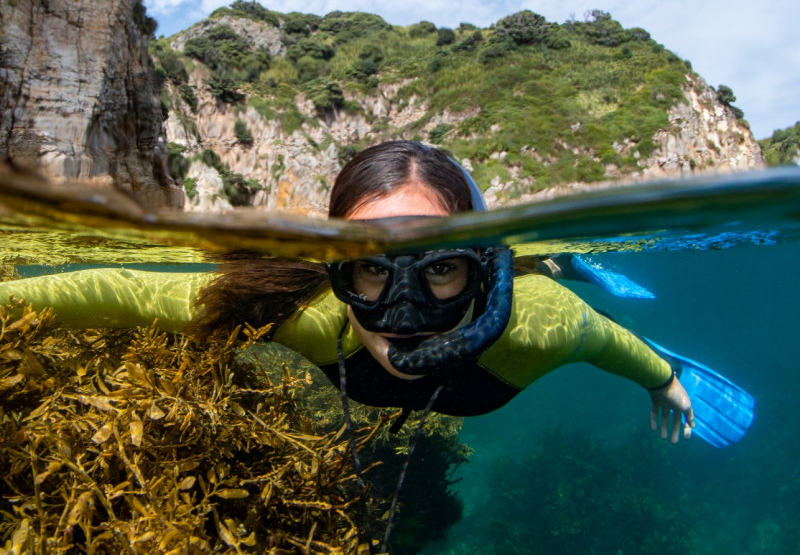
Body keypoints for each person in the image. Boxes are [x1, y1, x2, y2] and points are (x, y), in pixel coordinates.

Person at [0, 140, 694, 443]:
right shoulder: (310, 319)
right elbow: (129, 290)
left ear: (481, 271)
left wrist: (664, 379)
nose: (404, 315)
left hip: (529, 285)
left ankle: (560, 257)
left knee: (544, 272)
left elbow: (609, 340)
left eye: (439, 269)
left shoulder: (540, 325)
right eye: (370, 268)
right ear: (335, 272)